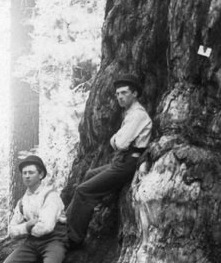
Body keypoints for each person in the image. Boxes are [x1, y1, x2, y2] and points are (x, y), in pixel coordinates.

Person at [62, 74, 153, 247]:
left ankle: (73, 238)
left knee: (83, 190)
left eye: (124, 93)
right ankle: (65, 224)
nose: (120, 97)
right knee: (89, 174)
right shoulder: (130, 113)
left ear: (135, 94)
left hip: (127, 163)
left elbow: (119, 142)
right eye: (118, 93)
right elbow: (118, 142)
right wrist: (117, 140)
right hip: (121, 160)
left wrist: (116, 140)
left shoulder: (138, 115)